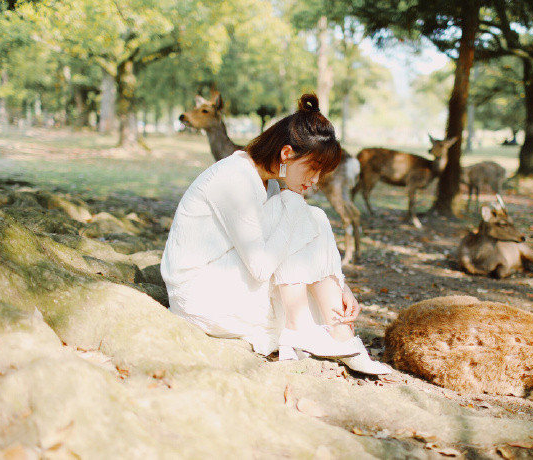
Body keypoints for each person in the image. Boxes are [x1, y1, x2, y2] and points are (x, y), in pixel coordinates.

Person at [161, 93, 391, 375]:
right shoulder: (234, 177)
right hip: (201, 295)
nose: (315, 180)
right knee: (298, 211)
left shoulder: (266, 181)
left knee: (309, 215)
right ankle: (305, 329)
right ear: (286, 154)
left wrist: (339, 284)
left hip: (229, 278)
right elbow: (260, 267)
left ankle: (338, 333)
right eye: (313, 169)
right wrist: (294, 201)